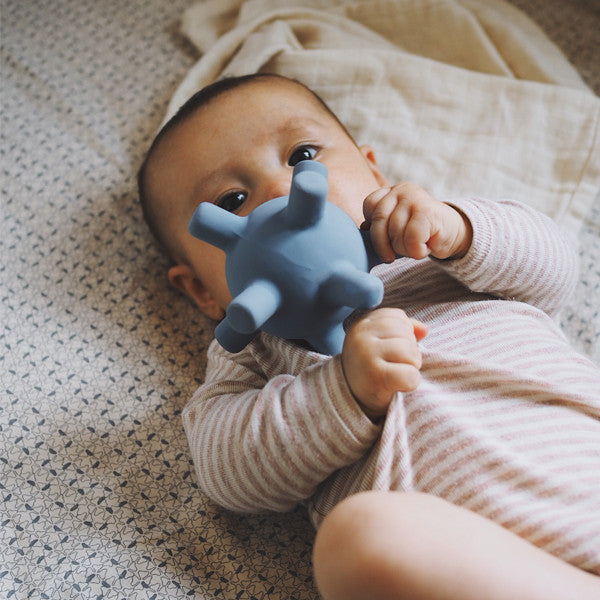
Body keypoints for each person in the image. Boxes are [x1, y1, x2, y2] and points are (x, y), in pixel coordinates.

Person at [138, 73, 600, 599]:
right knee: (356, 540)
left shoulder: (434, 251)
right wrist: (343, 391)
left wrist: (460, 229)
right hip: (469, 568)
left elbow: (556, 268)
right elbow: (227, 471)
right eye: (233, 199)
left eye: (303, 155)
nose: (280, 192)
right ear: (201, 290)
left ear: (372, 168)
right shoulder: (252, 351)